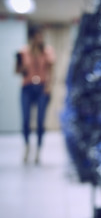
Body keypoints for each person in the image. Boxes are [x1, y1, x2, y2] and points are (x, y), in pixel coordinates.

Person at [16, 25, 55, 164]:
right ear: (31, 37)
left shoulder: (47, 51)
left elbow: (51, 70)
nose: (39, 39)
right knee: (26, 119)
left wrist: (49, 86)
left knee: (40, 120)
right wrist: (22, 66)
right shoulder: (23, 51)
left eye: (41, 36)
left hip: (42, 88)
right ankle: (27, 146)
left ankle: (38, 149)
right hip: (27, 87)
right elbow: (17, 71)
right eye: (36, 36)